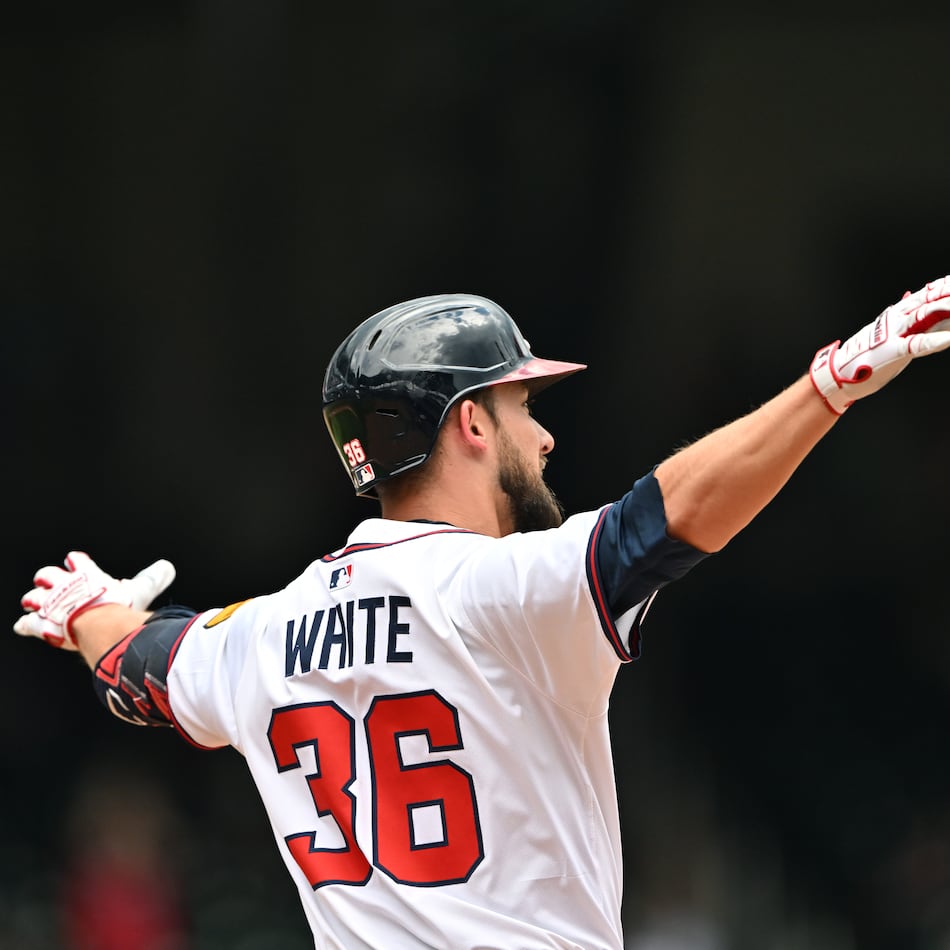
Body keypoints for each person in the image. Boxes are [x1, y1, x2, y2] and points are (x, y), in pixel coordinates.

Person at [14, 281, 950, 950]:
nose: (541, 435)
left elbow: (140, 667)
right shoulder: (497, 591)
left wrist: (86, 611)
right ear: (469, 424)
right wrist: (828, 387)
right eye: (521, 404)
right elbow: (666, 519)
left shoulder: (260, 635)